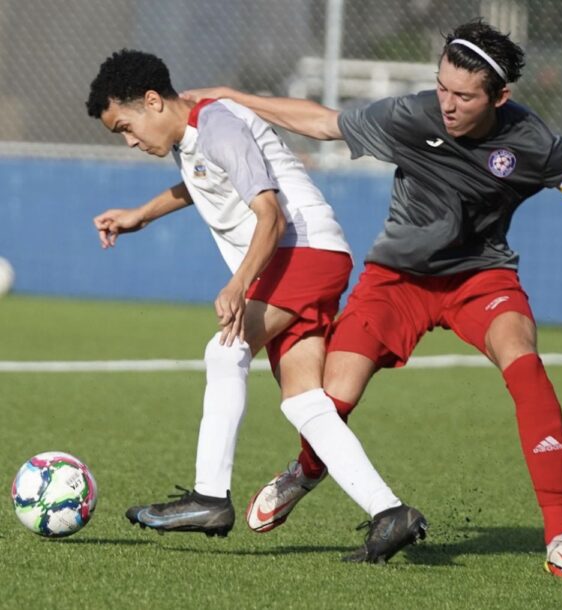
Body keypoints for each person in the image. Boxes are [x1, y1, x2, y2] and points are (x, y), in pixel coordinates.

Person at [183, 19, 562, 579]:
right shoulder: (414, 114)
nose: (448, 104)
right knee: (331, 403)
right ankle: (305, 472)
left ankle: (559, 535)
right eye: (442, 88)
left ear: (500, 96)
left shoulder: (536, 144)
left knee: (525, 365)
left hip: (480, 280)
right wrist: (236, 96)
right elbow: (326, 123)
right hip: (396, 281)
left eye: (463, 95)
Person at [86, 49, 428, 563]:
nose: (130, 141)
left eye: (125, 127)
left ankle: (209, 497)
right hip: (308, 258)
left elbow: (271, 216)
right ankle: (390, 512)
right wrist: (141, 215)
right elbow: (200, 182)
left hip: (303, 253)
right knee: (303, 402)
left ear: (153, 102)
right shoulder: (193, 133)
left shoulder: (218, 126)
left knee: (225, 349)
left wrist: (239, 283)